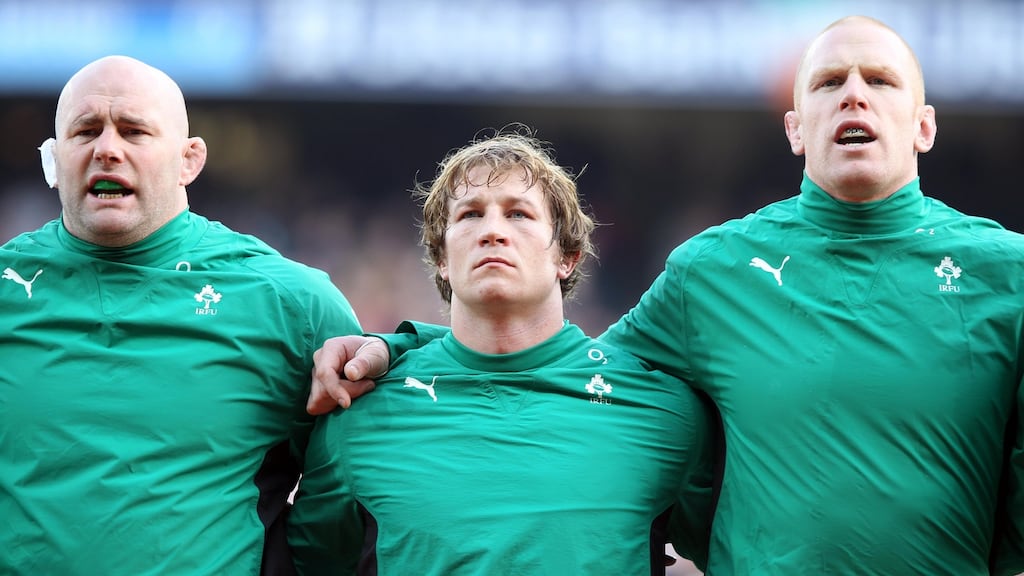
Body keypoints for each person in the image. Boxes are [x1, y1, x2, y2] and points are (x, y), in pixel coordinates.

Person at [309, 16, 1024, 575]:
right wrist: (404, 347)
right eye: (830, 81)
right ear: (795, 128)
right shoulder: (713, 271)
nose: (855, 94)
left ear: (924, 125)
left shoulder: (1010, 274)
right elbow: (558, 363)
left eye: (881, 80)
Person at [287, 128, 717, 575]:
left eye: (518, 214)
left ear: (567, 257)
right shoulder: (359, 413)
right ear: (441, 259)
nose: (492, 231)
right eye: (470, 214)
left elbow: (742, 552)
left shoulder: (664, 412)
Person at [0, 55, 363, 575]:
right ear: (54, 160)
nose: (107, 149)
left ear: (189, 160)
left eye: (134, 131)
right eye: (86, 131)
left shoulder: (291, 303)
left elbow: (350, 485)